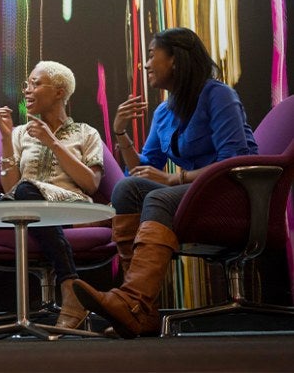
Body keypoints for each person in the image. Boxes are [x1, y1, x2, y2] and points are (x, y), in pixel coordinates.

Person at [72, 27, 258, 339]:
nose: (145, 65)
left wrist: (176, 178)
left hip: (234, 194)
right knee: (126, 190)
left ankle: (133, 303)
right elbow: (143, 173)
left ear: (174, 59)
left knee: (158, 198)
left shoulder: (218, 95)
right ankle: (138, 310)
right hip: (194, 197)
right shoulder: (163, 111)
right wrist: (120, 133)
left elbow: (233, 162)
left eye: (150, 55)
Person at [0, 60, 104, 330]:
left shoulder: (86, 132)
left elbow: (91, 183)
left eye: (36, 83)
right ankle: (71, 289)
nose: (27, 91)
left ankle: (68, 283)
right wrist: (7, 138)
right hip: (27, 203)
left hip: (69, 206)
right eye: (27, 85)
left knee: (25, 190)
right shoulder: (21, 133)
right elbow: (10, 188)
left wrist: (52, 143)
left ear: (58, 91)